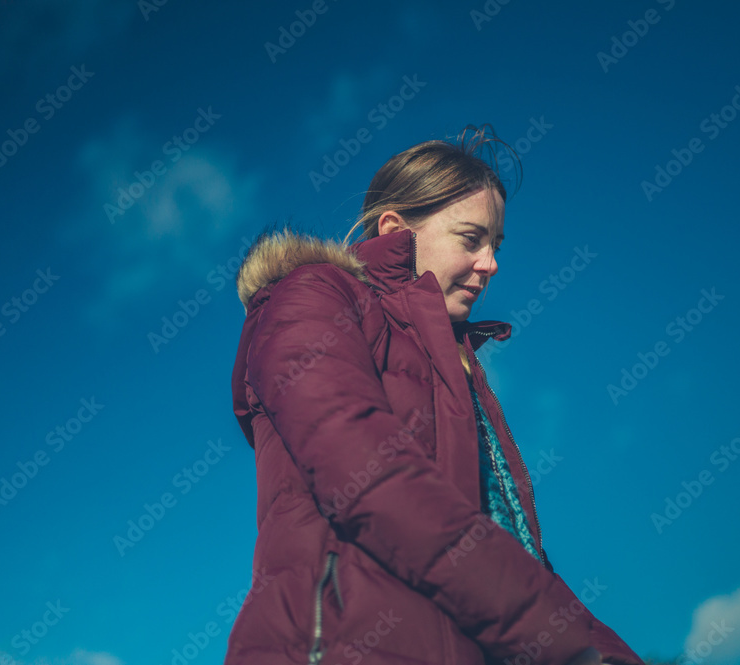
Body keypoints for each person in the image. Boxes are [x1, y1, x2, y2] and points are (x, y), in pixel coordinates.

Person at [225, 125, 644, 665]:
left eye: (495, 245)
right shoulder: (313, 296)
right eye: (471, 239)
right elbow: (371, 479)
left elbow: (517, 550)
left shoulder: (459, 371)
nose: (491, 264)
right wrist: (564, 648)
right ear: (396, 228)